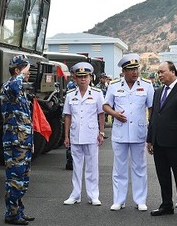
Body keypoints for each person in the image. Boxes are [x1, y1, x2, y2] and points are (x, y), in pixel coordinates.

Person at [103, 53, 154, 212]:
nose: (135, 72)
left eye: (136, 69)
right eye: (131, 69)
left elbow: (151, 108)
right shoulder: (114, 85)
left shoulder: (146, 85)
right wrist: (114, 114)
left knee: (140, 167)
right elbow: (105, 105)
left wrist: (151, 131)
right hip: (120, 132)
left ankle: (140, 200)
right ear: (123, 71)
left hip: (139, 132)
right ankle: (119, 200)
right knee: (119, 168)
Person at [147, 61, 177, 221]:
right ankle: (166, 204)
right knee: (163, 175)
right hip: (159, 141)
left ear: (173, 72)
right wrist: (150, 139)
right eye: (158, 72)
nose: (159, 75)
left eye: (162, 72)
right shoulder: (158, 92)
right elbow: (153, 117)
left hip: (176, 143)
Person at [62, 62, 105, 206]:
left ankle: (93, 195)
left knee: (92, 166)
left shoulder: (97, 94)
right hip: (75, 135)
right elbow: (67, 116)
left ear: (90, 77)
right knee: (76, 166)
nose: (83, 79)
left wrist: (102, 132)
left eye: (85, 76)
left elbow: (101, 114)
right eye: (80, 76)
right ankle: (75, 194)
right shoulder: (70, 95)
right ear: (74, 78)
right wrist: (66, 136)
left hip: (91, 134)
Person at [0, 55, 34, 225]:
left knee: (23, 179)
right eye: (26, 69)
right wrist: (22, 71)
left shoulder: (21, 90)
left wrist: (31, 142)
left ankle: (18, 210)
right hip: (14, 141)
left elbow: (26, 119)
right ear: (17, 70)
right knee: (15, 178)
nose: (29, 73)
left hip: (24, 142)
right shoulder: (9, 85)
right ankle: (12, 214)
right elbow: (14, 83)